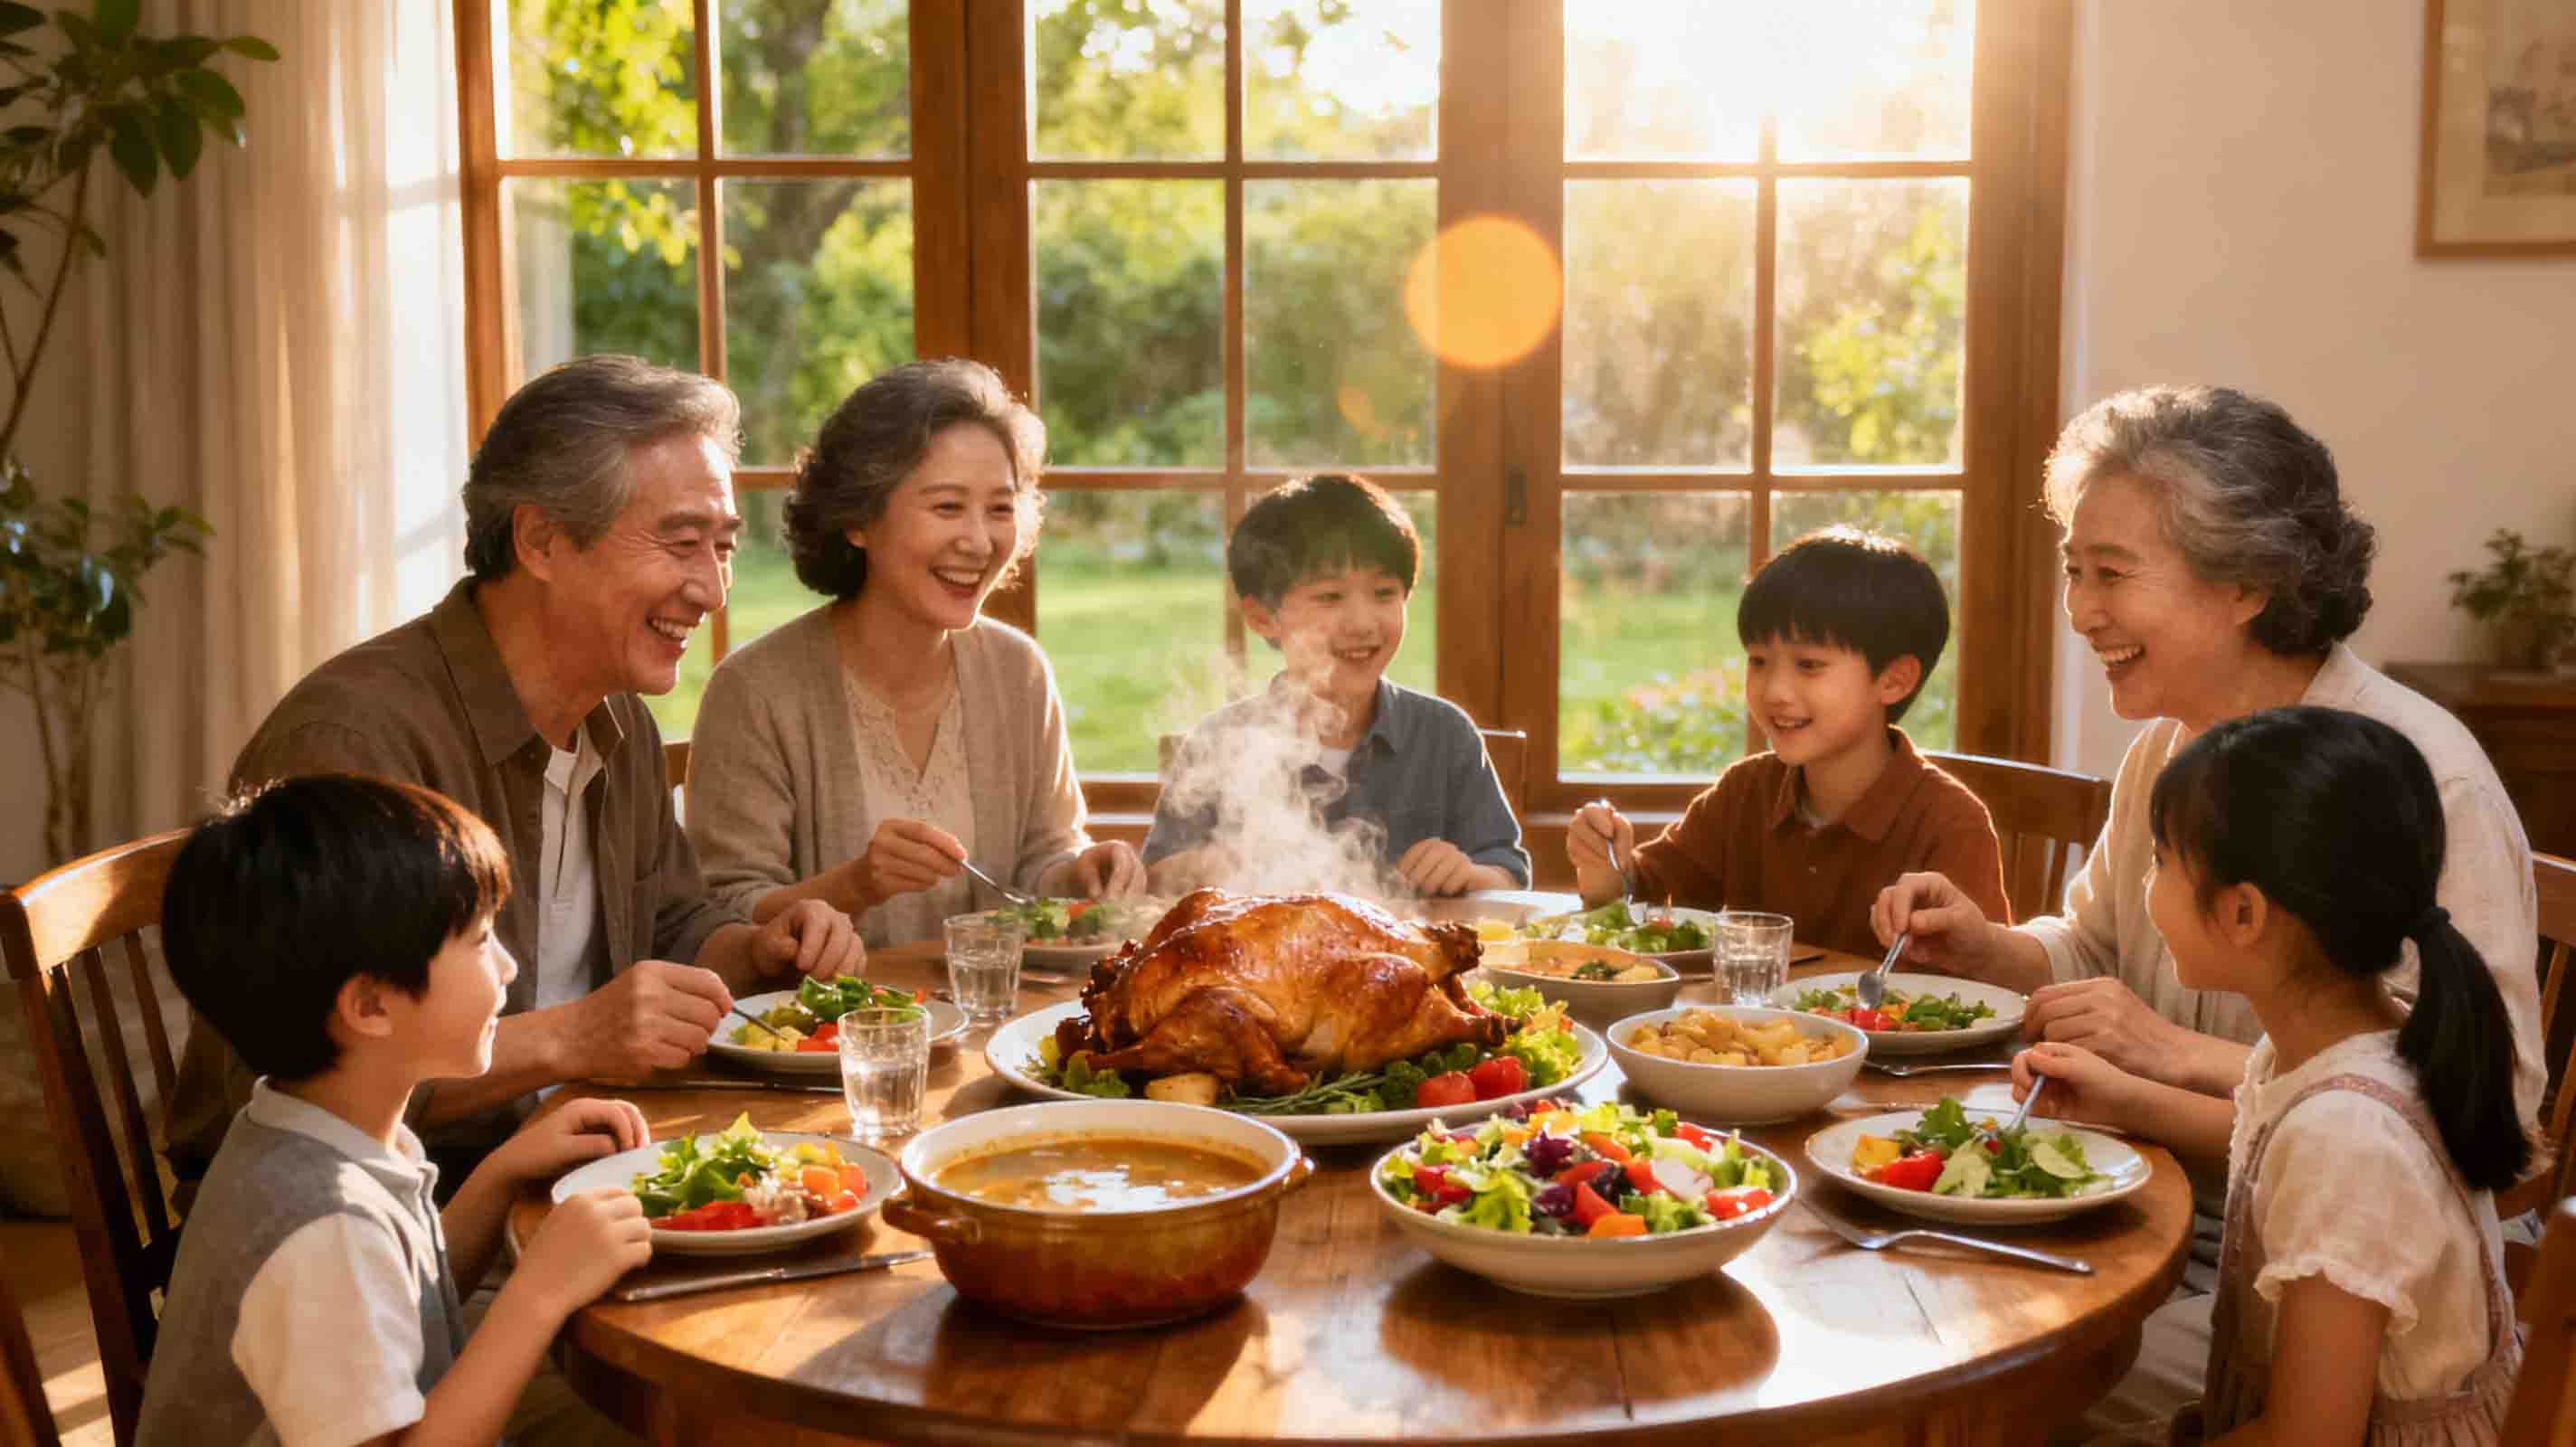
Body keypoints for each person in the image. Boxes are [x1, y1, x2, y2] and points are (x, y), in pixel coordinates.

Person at [1868, 384, 2543, 1435]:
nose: (2080, 610)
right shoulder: (2172, 746)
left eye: (2111, 574)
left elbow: (2485, 1127)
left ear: (2246, 585)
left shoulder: (2412, 777)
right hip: (2153, 1208)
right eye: (2071, 569)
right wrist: (1992, 946)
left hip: (2307, 1282)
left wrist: (2165, 1060)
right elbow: (2092, 942)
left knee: (1960, 1389)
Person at [167, 354, 864, 1189]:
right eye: (682, 543)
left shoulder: (617, 722)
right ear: (540, 539)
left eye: (723, 548)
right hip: (366, 1232)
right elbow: (293, 1088)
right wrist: (572, 1037)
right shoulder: (356, 743)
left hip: (560, 1169)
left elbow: (672, 921)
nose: (713, 590)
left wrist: (756, 950)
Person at [2010, 707, 2526, 1445]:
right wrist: (2120, 1098)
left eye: (2160, 860)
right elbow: (2266, 1137)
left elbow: (2308, 1439)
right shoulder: (2349, 1038)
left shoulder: (2345, 1140)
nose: (2146, 882)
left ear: (2243, 913)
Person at [137, 774, 657, 1446]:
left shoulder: (315, 1128)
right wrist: (540, 1292)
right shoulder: (320, 1231)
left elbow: (404, 1300)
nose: (507, 966)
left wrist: (501, 1173)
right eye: (478, 941)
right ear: (371, 1006)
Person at [687, 358, 1141, 947]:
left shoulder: (1018, 672)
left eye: (1000, 508)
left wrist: (1080, 874)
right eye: (947, 507)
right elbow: (723, 912)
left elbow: (1040, 864)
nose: (979, 542)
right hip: (827, 1035)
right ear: (858, 519)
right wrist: (856, 885)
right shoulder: (756, 691)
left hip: (996, 1031)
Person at [1568, 526, 2005, 959]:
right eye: (1758, 661)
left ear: (1894, 680)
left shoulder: (1951, 825)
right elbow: (1652, 894)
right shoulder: (1746, 791)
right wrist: (1608, 871)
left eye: (1809, 665)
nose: (1774, 689)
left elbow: (1979, 991)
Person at [1144, 473, 1530, 897]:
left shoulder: (1445, 735)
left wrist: (1470, 875)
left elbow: (1509, 875)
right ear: (1261, 618)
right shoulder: (1218, 744)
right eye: (1330, 597)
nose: (1363, 623)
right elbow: (1154, 886)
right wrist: (1201, 868)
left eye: (1384, 593)